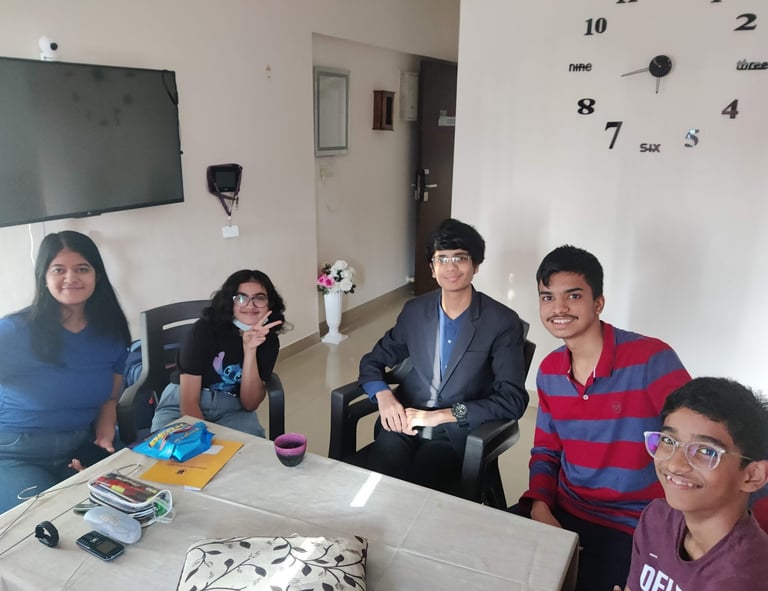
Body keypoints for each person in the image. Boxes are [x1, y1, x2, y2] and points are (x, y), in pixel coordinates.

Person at [515, 245, 691, 591]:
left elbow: (695, 437)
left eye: (573, 296)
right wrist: (540, 507)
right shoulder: (549, 370)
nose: (558, 308)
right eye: (547, 297)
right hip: (566, 508)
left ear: (598, 303)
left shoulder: (650, 359)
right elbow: (546, 452)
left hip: (633, 526)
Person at [358, 218, 528, 493]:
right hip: (405, 418)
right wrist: (384, 396)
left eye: (460, 258)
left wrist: (441, 416)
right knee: (383, 478)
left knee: (424, 482)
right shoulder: (415, 311)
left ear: (476, 265)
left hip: (456, 431)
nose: (451, 267)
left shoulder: (501, 322)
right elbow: (372, 361)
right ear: (432, 267)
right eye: (442, 258)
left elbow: (512, 399)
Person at [0, 231, 130, 513]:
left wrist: (104, 437)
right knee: (45, 519)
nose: (71, 278)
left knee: (129, 505)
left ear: (97, 275)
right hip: (15, 453)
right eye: (59, 270)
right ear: (44, 278)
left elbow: (109, 398)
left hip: (79, 444)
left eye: (82, 269)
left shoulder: (111, 332)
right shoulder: (13, 331)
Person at [618, 377, 768, 590]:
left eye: (705, 451)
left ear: (753, 476)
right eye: (668, 441)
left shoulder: (745, 577)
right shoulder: (657, 519)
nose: (675, 464)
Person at [151, 270, 286, 437]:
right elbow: (189, 401)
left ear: (269, 304)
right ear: (230, 302)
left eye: (259, 298)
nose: (250, 305)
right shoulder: (205, 329)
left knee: (250, 448)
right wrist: (202, 441)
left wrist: (250, 350)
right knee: (172, 447)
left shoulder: (269, 341)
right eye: (241, 298)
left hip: (231, 407)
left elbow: (250, 404)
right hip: (182, 403)